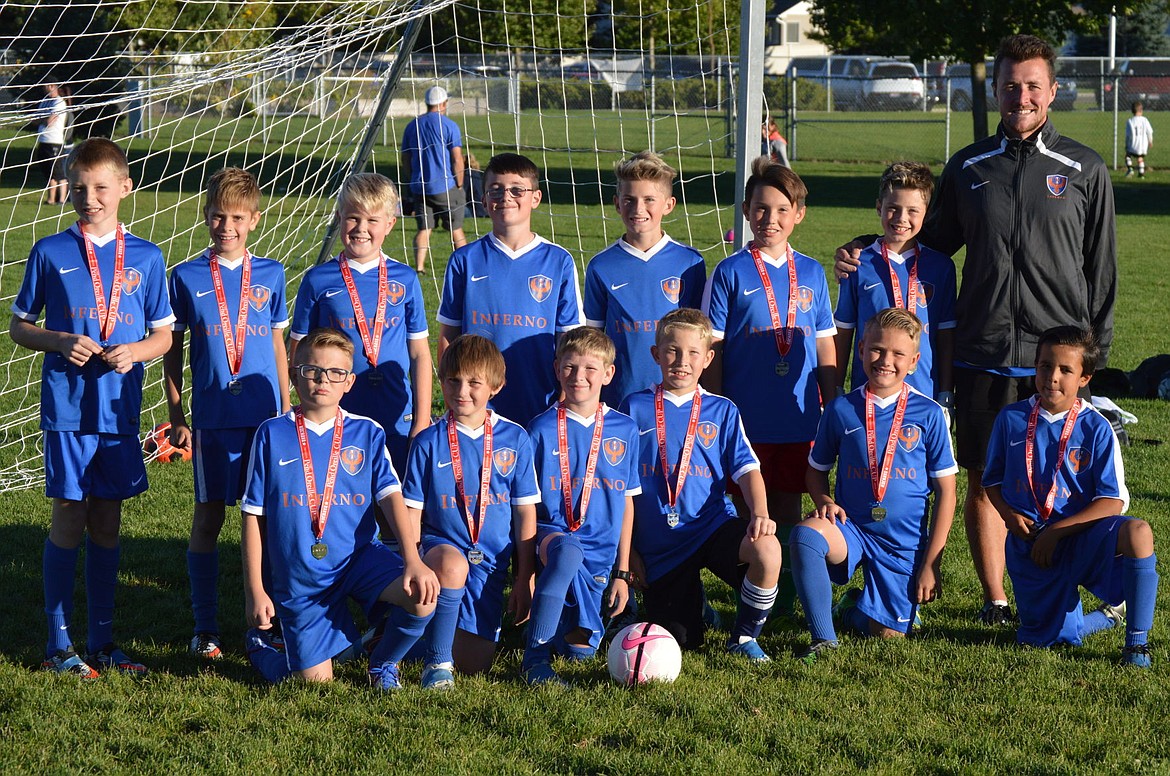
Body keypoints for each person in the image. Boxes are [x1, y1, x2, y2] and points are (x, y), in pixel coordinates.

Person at [834, 34, 1117, 626]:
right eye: (1011, 85)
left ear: (1053, 91)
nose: (1022, 95)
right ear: (995, 89)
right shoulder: (969, 166)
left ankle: (1058, 588)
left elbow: (1103, 268)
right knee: (988, 478)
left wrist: (1094, 357)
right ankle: (995, 599)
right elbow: (926, 244)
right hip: (984, 351)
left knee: (1061, 476)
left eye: (1033, 85)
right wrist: (867, 247)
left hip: (1056, 356)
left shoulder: (1084, 167)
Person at [10, 138, 174, 677]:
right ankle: (58, 645)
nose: (90, 198)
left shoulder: (147, 257)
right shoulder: (50, 251)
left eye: (101, 187)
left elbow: (164, 337)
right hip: (68, 411)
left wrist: (136, 351)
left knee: (107, 522)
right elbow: (18, 326)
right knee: (68, 517)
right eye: (80, 188)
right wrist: (57, 341)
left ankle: (103, 642)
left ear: (125, 188)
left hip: (119, 413)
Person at [240, 328, 438, 688]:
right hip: (301, 575)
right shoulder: (271, 434)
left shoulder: (368, 432)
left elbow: (390, 496)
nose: (322, 380)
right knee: (313, 685)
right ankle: (262, 649)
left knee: (422, 597)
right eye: (312, 370)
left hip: (357, 559)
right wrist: (255, 588)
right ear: (294, 373)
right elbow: (253, 516)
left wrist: (412, 558)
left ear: (349, 382)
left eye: (335, 373)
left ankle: (382, 662)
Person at [164, 167, 291, 660]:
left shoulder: (272, 273)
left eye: (237, 217)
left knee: (269, 522)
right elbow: (173, 352)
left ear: (254, 220)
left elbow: (279, 344)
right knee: (209, 518)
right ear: (206, 217)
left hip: (265, 421)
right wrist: (177, 412)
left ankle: (266, 621)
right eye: (218, 216)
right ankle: (205, 626)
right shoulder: (187, 276)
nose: (227, 226)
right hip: (213, 419)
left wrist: (285, 407)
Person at [702, 156, 836, 614]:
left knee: (786, 505)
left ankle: (786, 593)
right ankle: (752, 586)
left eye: (782, 210)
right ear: (745, 210)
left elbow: (824, 347)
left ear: (798, 213)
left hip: (798, 415)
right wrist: (717, 409)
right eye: (761, 209)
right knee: (749, 513)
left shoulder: (813, 273)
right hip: (746, 417)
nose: (770, 219)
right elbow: (714, 349)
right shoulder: (730, 272)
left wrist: (833, 402)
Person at [983, 326, 1158, 666]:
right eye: (1046, 366)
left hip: (1080, 537)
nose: (1052, 377)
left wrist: (1059, 532)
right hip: (1031, 545)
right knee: (1052, 639)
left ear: (1084, 378)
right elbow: (992, 482)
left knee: (1139, 532)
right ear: (1035, 366)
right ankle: (1107, 616)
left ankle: (1136, 646)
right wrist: (1008, 515)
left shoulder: (1096, 426)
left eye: (1065, 370)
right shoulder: (1011, 419)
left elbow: (1113, 501)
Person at [791, 308, 957, 662]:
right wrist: (823, 499)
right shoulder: (841, 410)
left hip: (903, 543)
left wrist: (932, 562)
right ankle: (824, 640)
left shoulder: (929, 415)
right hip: (852, 528)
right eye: (878, 349)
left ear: (913, 362)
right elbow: (815, 470)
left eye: (898, 354)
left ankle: (854, 610)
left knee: (889, 635)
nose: (886, 361)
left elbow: (947, 492)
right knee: (805, 535)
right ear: (862, 348)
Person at [619, 309, 781, 660]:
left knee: (767, 549)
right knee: (681, 640)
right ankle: (701, 610)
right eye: (673, 350)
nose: (682, 361)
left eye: (693, 353)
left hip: (711, 527)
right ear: (656, 354)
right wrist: (629, 553)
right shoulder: (633, 408)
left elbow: (747, 469)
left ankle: (743, 638)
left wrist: (760, 513)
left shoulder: (722, 410)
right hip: (660, 547)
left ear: (708, 358)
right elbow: (620, 490)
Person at [401, 334, 540, 685]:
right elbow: (412, 513)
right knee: (452, 564)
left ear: (495, 386)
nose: (462, 391)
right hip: (441, 552)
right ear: (442, 381)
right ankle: (437, 664)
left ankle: (402, 638)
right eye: (453, 381)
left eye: (474, 382)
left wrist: (525, 577)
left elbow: (525, 514)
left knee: (476, 664)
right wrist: (413, 563)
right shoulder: (428, 441)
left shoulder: (515, 438)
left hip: (491, 563)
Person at [290, 173, 431, 476]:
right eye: (353, 218)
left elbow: (419, 353)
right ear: (340, 217)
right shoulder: (317, 280)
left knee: (397, 509)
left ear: (390, 224)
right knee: (340, 501)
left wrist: (421, 419)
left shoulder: (405, 279)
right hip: (336, 414)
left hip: (396, 414)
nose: (361, 229)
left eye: (372, 221)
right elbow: (297, 352)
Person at [522, 327, 641, 685]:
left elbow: (626, 502)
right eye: (570, 367)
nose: (579, 377)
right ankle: (534, 661)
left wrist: (623, 572)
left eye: (590, 369)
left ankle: (557, 627)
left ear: (608, 374)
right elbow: (526, 505)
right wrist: (525, 573)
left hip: (602, 556)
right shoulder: (539, 428)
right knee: (568, 550)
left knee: (580, 651)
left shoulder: (625, 429)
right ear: (557, 369)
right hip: (553, 539)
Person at [437, 152, 584, 427]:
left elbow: (570, 342)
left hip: (541, 402)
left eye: (517, 190)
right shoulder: (465, 259)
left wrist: (563, 403)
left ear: (535, 198)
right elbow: (448, 336)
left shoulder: (558, 261)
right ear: (483, 200)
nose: (506, 196)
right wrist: (453, 399)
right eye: (495, 190)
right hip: (476, 407)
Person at [583, 150, 706, 406]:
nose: (638, 208)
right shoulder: (601, 265)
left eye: (649, 199)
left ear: (669, 205)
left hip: (677, 397)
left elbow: (699, 336)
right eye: (629, 199)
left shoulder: (690, 262)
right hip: (619, 398)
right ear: (617, 203)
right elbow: (592, 341)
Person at [833, 161, 956, 402]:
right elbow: (844, 331)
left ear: (927, 213)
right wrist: (835, 388)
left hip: (924, 393)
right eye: (893, 208)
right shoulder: (857, 262)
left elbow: (946, 335)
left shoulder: (941, 267)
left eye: (912, 211)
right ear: (879, 207)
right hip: (868, 392)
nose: (901, 218)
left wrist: (946, 392)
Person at [401, 85, 467, 273]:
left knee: (424, 228)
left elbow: (405, 158)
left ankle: (419, 267)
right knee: (456, 229)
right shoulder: (449, 125)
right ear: (444, 103)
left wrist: (411, 177)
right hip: (445, 186)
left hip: (419, 186)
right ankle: (463, 267)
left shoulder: (412, 125)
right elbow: (457, 159)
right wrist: (460, 184)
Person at [33, 82, 68, 205]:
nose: (44, 88)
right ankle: (51, 199)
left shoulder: (59, 103)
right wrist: (42, 119)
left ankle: (61, 199)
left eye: (47, 85)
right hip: (43, 140)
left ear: (53, 86)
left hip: (54, 142)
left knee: (58, 172)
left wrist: (42, 119)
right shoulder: (44, 102)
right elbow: (35, 120)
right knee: (48, 171)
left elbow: (50, 121)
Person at [1125, 101, 1153, 179]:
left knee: (1128, 156)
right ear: (1141, 110)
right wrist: (1150, 141)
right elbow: (1149, 131)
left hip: (1134, 144)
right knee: (1140, 158)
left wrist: (1127, 145)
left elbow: (1128, 135)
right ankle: (1141, 174)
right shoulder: (1145, 120)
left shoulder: (1130, 121)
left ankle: (1130, 169)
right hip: (1143, 145)